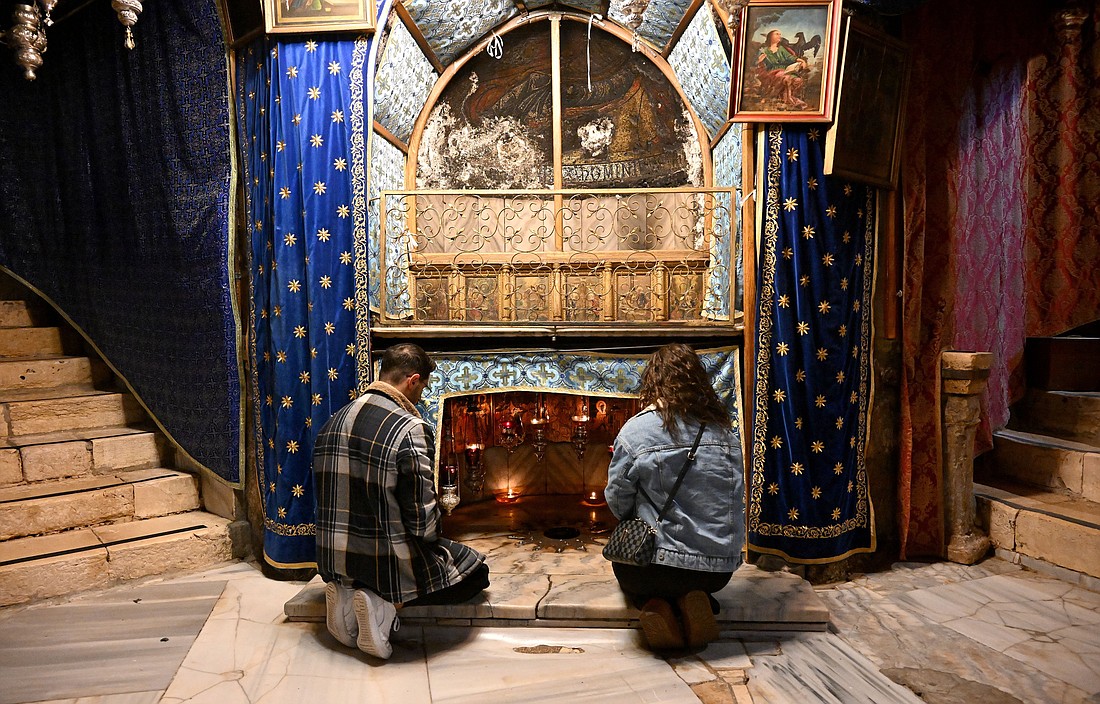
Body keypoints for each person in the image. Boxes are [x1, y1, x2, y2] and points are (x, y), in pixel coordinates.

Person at [313, 343, 489, 659]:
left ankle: (344, 595)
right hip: (385, 565)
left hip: (334, 557)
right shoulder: (410, 428)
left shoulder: (334, 420)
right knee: (476, 574)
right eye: (423, 387)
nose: (422, 395)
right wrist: (438, 541)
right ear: (412, 380)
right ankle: (383, 605)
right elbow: (422, 522)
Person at [604, 343, 744, 650]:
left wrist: (639, 516)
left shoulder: (637, 431)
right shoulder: (726, 434)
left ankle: (656, 605)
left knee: (624, 566)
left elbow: (616, 498)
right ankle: (694, 601)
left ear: (653, 382)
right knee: (690, 579)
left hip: (655, 569)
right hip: (718, 573)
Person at [755, 29, 809, 109]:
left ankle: (784, 97)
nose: (779, 36)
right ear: (770, 37)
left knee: (798, 80)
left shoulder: (781, 49)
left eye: (780, 34)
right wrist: (759, 61)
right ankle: (790, 99)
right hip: (772, 73)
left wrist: (802, 61)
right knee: (786, 77)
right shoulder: (764, 50)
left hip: (786, 71)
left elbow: (790, 58)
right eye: (777, 34)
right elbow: (757, 64)